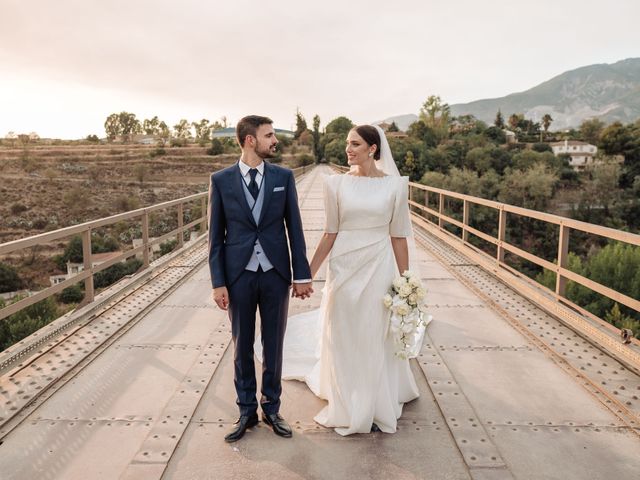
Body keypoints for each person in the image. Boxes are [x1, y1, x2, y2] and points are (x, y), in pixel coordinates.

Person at [259, 124, 428, 435]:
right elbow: (330, 232)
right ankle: (345, 397)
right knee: (344, 330)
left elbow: (399, 236)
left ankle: (374, 400)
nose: (348, 149)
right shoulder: (335, 185)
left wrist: (405, 281)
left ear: (373, 149)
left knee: (372, 329)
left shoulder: (395, 186)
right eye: (347, 144)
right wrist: (305, 274)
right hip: (344, 267)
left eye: (355, 144)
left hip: (378, 265)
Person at [208, 115, 313, 443]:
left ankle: (272, 408)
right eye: (269, 135)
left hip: (275, 274)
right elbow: (215, 237)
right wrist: (218, 281)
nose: (275, 141)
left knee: (274, 344)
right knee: (241, 346)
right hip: (238, 274)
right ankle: (245, 411)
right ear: (250, 140)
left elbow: (293, 228)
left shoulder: (283, 177)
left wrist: (302, 275)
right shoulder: (221, 180)